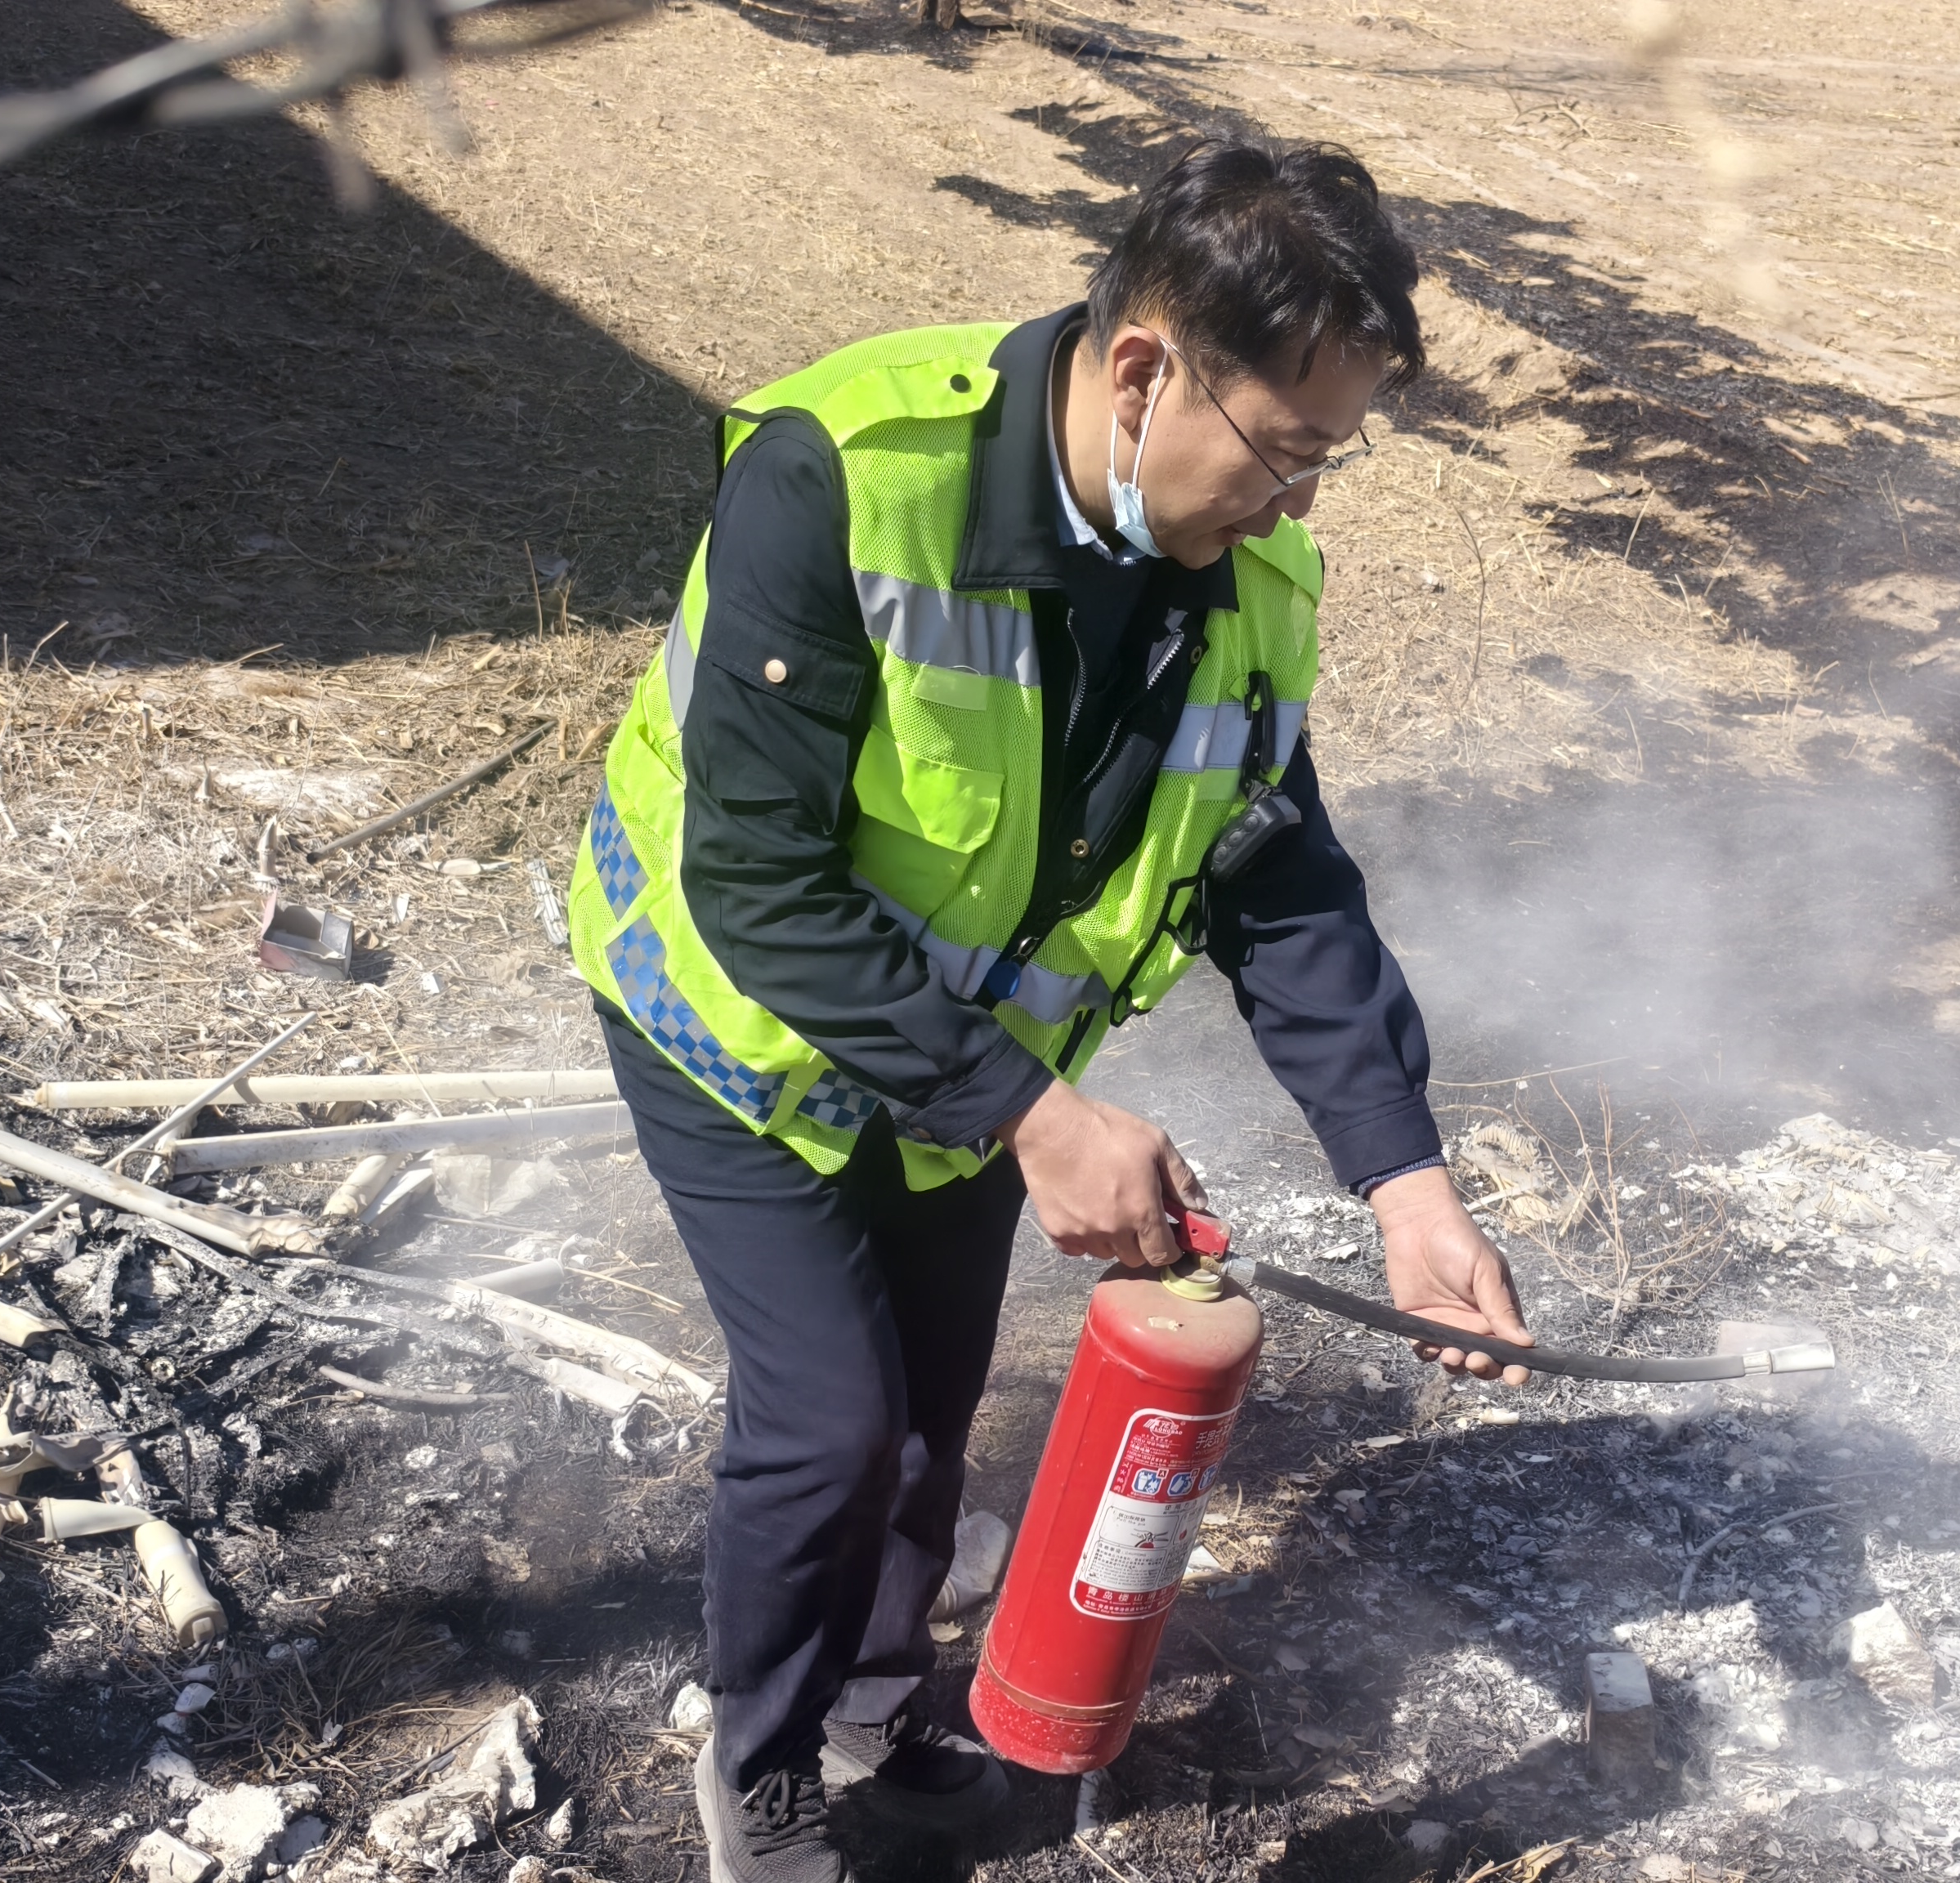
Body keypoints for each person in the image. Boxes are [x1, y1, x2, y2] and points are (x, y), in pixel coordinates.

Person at [563, 137, 1533, 1883]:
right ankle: (760, 1763)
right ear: (1146, 365)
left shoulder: (1243, 588)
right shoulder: (846, 475)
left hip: (967, 1060)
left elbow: (1278, 880)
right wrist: (1031, 1111)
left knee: (933, 1400)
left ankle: (872, 1694)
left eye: (1330, 463)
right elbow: (760, 882)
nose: (1296, 506)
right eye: (1284, 452)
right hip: (738, 1026)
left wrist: (1404, 1179)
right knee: (826, 1421)